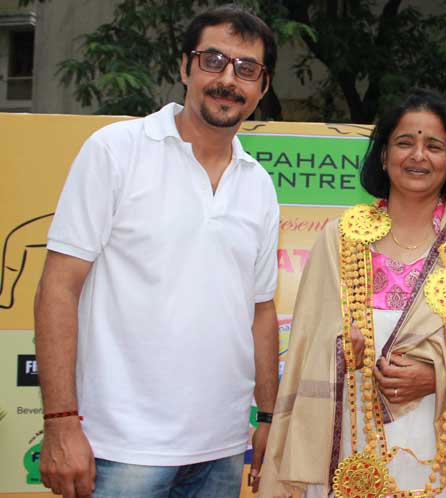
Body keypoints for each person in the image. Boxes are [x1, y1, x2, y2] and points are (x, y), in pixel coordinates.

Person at [34, 5, 280, 498]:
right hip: (119, 449)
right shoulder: (115, 150)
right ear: (185, 67)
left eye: (246, 68)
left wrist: (270, 418)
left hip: (221, 450)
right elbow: (58, 288)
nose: (227, 79)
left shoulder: (259, 185)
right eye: (213, 60)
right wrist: (60, 422)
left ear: (262, 86)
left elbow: (260, 312)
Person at [260, 88, 446, 498]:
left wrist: (436, 376)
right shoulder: (340, 238)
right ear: (383, 156)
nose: (418, 155)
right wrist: (343, 350)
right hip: (348, 435)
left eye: (434, 146)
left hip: (437, 446)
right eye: (404, 142)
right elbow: (307, 343)